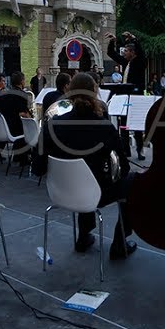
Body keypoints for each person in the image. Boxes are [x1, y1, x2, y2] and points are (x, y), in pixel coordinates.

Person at [34, 73, 139, 260]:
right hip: (95, 194)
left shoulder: (52, 125)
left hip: (60, 192)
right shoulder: (105, 127)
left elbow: (38, 168)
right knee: (132, 182)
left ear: (69, 93)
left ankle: (83, 236)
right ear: (95, 93)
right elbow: (124, 168)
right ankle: (119, 243)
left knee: (87, 177)